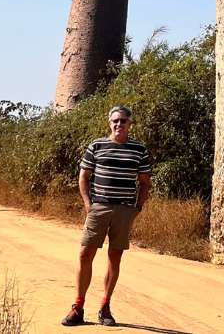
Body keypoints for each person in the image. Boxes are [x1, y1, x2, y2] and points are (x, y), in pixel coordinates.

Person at [61, 106, 151, 327]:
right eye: (115, 121)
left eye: (123, 121)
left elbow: (145, 182)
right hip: (98, 208)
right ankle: (78, 306)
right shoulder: (96, 146)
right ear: (109, 123)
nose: (119, 124)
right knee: (85, 253)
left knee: (115, 256)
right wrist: (88, 205)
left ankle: (104, 307)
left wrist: (136, 207)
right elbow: (83, 176)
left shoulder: (139, 150)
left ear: (130, 124)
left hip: (124, 210)